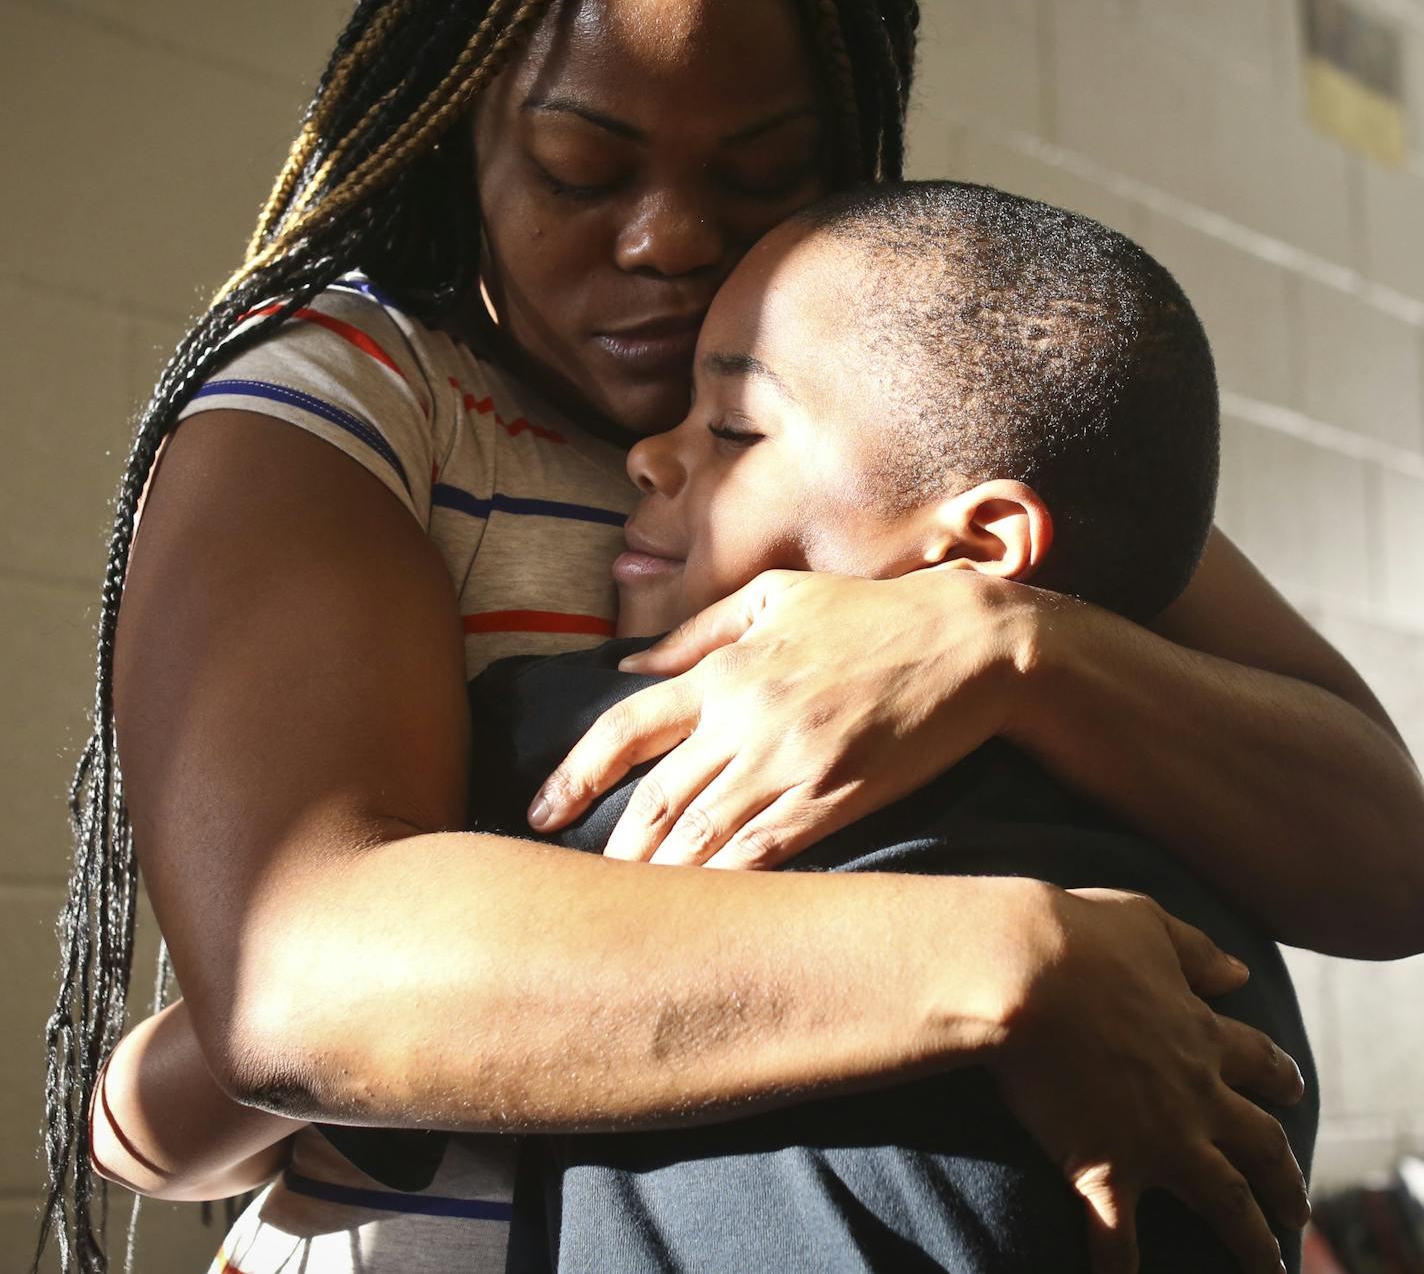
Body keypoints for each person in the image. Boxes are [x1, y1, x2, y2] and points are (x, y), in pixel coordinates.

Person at [39, 0, 1422, 1273]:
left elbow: (1388, 855)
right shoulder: (357, 409)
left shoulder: (899, 419)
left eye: (764, 174)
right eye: (585, 167)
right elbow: (298, 985)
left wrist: (1008, 648)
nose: (671, 238)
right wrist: (1007, 958)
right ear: (456, 116)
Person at [90, 182, 1320, 1274]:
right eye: (587, 161)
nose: (650, 454)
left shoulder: (654, 743)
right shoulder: (1210, 847)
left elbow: (179, 1094)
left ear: (983, 542)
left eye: (730, 430)